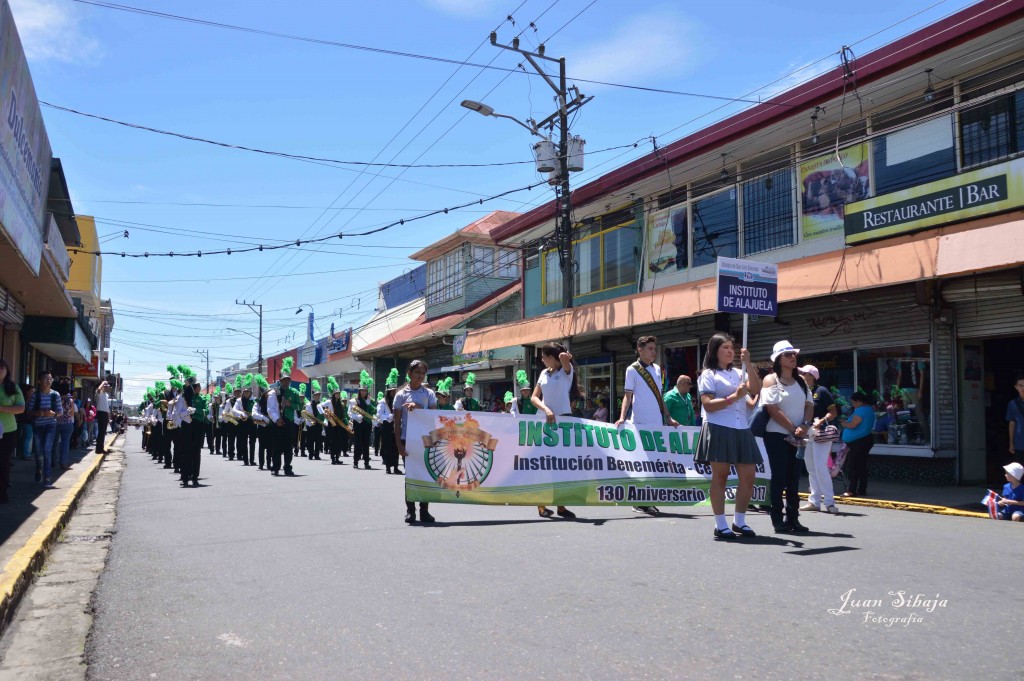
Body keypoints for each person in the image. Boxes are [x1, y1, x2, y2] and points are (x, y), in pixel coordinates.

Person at [693, 332, 763, 540]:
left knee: (749, 477)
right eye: (725, 347)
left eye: (732, 347)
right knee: (720, 477)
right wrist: (734, 397)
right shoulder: (708, 374)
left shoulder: (738, 372)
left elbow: (756, 389)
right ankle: (720, 524)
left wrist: (748, 364)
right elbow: (708, 405)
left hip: (742, 427)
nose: (730, 351)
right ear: (715, 350)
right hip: (718, 427)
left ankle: (739, 521)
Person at [616, 336, 680, 516]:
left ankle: (648, 499)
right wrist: (622, 417)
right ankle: (639, 500)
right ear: (640, 349)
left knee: (654, 463)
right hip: (640, 424)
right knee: (641, 464)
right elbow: (628, 396)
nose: (653, 352)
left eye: (654, 348)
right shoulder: (632, 370)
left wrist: (668, 417)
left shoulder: (658, 369)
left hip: (656, 424)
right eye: (650, 348)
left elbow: (660, 397)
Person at [761, 341, 814, 533]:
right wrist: (793, 428)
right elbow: (772, 409)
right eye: (788, 355)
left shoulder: (801, 381)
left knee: (794, 478)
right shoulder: (770, 380)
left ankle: (793, 518)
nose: (793, 357)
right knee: (779, 478)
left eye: (793, 354)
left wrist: (805, 426)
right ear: (778, 359)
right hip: (776, 435)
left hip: (798, 437)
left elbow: (809, 406)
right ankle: (777, 519)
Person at [532, 342, 579, 520]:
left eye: (544, 356)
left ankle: (561, 506)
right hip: (544, 423)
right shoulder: (544, 374)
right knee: (543, 465)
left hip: (562, 423)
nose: (542, 360)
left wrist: (562, 355)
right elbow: (534, 397)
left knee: (560, 465)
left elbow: (565, 360)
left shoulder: (566, 372)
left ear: (551, 358)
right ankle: (541, 505)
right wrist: (546, 410)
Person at [394, 359, 438, 524]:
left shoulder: (429, 394)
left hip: (426, 441)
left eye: (423, 373)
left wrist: (419, 407)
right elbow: (397, 423)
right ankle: (410, 511)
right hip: (408, 441)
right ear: (409, 374)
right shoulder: (400, 395)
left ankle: (424, 511)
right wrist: (399, 444)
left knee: (426, 476)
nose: (420, 376)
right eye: (417, 372)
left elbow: (433, 417)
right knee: (411, 476)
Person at [798, 365, 839, 515]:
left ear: (812, 376)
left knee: (821, 467)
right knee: (811, 468)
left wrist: (821, 420)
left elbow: (833, 412)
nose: (801, 374)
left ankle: (829, 502)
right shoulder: (803, 392)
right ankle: (814, 501)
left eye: (804, 373)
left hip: (821, 434)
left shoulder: (822, 391)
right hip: (808, 434)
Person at [30, 371, 63, 489]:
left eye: (50, 378)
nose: (49, 380)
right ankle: (39, 469)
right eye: (46, 378)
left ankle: (47, 478)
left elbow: (60, 412)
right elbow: (29, 410)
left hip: (51, 425)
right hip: (38, 425)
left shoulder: (56, 395)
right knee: (38, 452)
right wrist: (38, 413)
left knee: (46, 450)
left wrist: (52, 414)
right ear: (39, 381)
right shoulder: (36, 395)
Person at [840, 391, 876, 498]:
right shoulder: (870, 409)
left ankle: (852, 490)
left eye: (854, 402)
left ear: (859, 401)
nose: (853, 405)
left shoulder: (861, 410)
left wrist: (843, 423)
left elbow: (853, 425)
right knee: (861, 465)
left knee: (853, 465)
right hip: (864, 439)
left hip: (859, 441)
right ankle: (862, 489)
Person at [0, 360, 25, 504]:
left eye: (2, 367)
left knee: (3, 462)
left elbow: (21, 408)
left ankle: (2, 493)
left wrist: (2, 409)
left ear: (7, 370)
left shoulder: (12, 387)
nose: (0, 370)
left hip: (8, 431)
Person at [273, 358, 299, 477]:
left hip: (289, 421)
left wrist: (290, 404)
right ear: (280, 380)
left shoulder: (294, 392)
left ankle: (287, 468)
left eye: (288, 379)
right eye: (284, 380)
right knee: (277, 446)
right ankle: (276, 467)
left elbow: (300, 406)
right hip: (278, 421)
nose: (286, 382)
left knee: (289, 447)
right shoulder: (275, 392)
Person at [349, 371, 375, 470]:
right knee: (358, 443)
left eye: (365, 390)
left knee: (366, 443)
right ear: (359, 391)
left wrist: (369, 404)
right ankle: (355, 461)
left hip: (367, 424)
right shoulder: (353, 401)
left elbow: (374, 411)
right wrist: (356, 417)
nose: (364, 392)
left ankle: (366, 462)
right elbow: (350, 413)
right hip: (358, 424)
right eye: (362, 390)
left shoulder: (370, 401)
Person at [379, 369, 401, 474]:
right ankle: (388, 467)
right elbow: (379, 414)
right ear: (388, 391)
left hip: (396, 426)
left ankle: (396, 467)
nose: (393, 392)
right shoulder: (382, 402)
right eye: (391, 391)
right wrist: (389, 416)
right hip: (387, 426)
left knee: (396, 447)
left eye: (394, 390)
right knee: (388, 447)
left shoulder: (398, 400)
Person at [53, 381, 77, 471]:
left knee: (54, 442)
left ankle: (53, 461)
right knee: (65, 443)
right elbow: (71, 413)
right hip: (67, 423)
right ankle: (63, 462)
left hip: (56, 422)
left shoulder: (56, 397)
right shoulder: (70, 399)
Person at [1007, 375, 1024, 456]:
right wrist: (1011, 442)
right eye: (1020, 385)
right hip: (1019, 442)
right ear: (1016, 387)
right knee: (1019, 467)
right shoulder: (1012, 404)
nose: (1023, 388)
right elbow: (1012, 423)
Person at [17, 385, 35, 461]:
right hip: (27, 422)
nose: (33, 393)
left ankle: (23, 453)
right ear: (27, 392)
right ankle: (26, 454)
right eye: (32, 391)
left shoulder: (23, 399)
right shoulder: (28, 401)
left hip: (22, 421)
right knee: (28, 438)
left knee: (24, 438)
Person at [94, 381, 111, 454]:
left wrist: (108, 417)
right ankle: (98, 449)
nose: (106, 387)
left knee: (103, 432)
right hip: (100, 413)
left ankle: (101, 448)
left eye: (107, 386)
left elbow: (107, 407)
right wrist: (103, 383)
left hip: (105, 414)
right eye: (105, 386)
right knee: (101, 432)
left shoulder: (106, 395)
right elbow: (98, 390)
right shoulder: (99, 393)